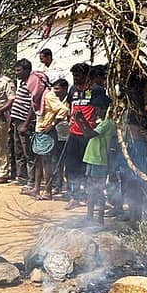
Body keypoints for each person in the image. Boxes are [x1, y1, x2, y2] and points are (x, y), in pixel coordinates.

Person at [75, 88, 113, 224]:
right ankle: (90, 217)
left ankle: (100, 220)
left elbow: (88, 134)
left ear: (103, 109)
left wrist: (79, 121)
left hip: (99, 160)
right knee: (91, 190)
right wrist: (81, 120)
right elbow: (89, 132)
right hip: (91, 159)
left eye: (97, 109)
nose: (95, 111)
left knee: (98, 190)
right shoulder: (101, 122)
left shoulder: (107, 123)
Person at [27, 81, 69, 200]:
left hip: (47, 133)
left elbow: (63, 109)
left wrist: (53, 123)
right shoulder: (39, 96)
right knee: (39, 162)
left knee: (46, 163)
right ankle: (36, 188)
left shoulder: (48, 95)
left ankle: (47, 191)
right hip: (40, 132)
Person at [65, 62, 95, 207]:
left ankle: (89, 196)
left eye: (78, 76)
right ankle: (75, 196)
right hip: (73, 133)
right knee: (71, 166)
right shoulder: (72, 90)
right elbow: (69, 104)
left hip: (88, 135)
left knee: (87, 168)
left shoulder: (95, 90)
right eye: (74, 76)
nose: (75, 78)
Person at [9, 59, 42, 186]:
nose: (16, 73)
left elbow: (32, 106)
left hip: (24, 123)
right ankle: (21, 179)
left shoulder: (32, 84)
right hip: (17, 122)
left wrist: (26, 124)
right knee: (18, 152)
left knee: (28, 153)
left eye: (19, 70)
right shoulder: (22, 83)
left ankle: (31, 181)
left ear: (27, 70)